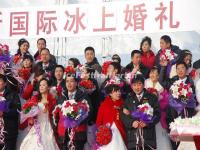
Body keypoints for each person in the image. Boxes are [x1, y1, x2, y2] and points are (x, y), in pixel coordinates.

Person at [159, 61, 196, 150]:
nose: (180, 70)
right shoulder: (173, 81)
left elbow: (194, 99)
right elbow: (162, 81)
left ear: (186, 70)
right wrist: (163, 68)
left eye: (182, 68)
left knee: (188, 142)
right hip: (173, 115)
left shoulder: (191, 82)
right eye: (178, 68)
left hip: (188, 116)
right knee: (176, 143)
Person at [121, 74, 160, 150]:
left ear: (143, 84)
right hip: (133, 139)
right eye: (134, 85)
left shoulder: (152, 97)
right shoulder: (128, 99)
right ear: (131, 86)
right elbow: (123, 115)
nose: (137, 87)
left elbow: (157, 114)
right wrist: (131, 123)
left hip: (148, 137)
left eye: (139, 84)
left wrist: (147, 122)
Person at [19, 78, 59, 150]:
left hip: (48, 126)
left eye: (44, 85)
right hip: (37, 126)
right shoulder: (35, 99)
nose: (41, 87)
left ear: (48, 87)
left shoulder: (53, 100)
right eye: (40, 85)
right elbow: (27, 111)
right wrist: (29, 116)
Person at [56, 74, 92, 150]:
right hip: (63, 133)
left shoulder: (83, 96)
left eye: (72, 81)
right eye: (67, 81)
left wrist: (76, 118)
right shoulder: (61, 96)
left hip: (78, 134)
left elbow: (89, 112)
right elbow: (56, 115)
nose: (69, 84)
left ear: (76, 83)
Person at [145, 67, 172, 150]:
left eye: (156, 73)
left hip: (158, 111)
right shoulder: (145, 82)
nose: (154, 75)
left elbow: (165, 99)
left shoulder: (161, 84)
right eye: (152, 73)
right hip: (146, 111)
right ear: (149, 74)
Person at [0, 74, 21, 150]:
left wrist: (4, 113)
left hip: (9, 132)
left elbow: (18, 110)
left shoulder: (13, 94)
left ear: (5, 83)